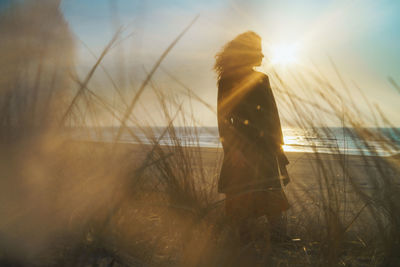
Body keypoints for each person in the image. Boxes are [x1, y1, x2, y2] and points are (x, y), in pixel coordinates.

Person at [214, 31, 290, 246]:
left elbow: (273, 116)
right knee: (240, 201)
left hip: (266, 147)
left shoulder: (263, 78)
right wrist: (233, 150)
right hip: (241, 147)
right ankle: (242, 247)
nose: (262, 55)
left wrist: (280, 151)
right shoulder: (227, 80)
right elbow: (223, 118)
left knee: (273, 199)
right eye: (257, 50)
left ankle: (278, 245)